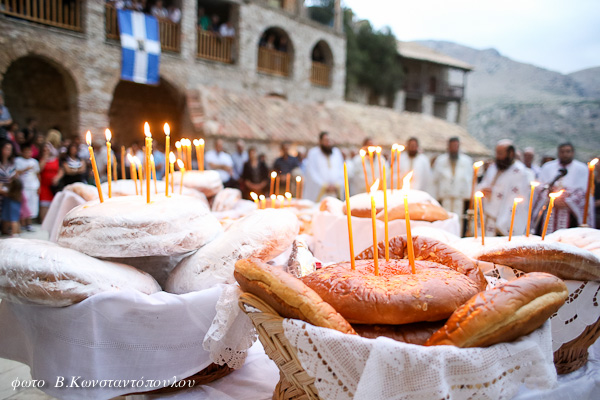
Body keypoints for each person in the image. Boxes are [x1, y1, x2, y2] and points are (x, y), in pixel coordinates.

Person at [533, 142, 593, 231]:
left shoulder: (582, 169)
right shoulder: (548, 167)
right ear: (558, 153)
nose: (565, 154)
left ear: (573, 153)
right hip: (549, 209)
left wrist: (566, 200)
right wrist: (551, 196)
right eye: (562, 152)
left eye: (568, 151)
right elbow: (540, 188)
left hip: (571, 213)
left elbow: (584, 192)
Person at [477, 140, 530, 236]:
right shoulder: (493, 167)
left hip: (505, 218)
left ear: (510, 154)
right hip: (488, 214)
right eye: (497, 153)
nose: (497, 157)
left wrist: (502, 221)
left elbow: (516, 197)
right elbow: (484, 184)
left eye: (500, 153)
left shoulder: (519, 171)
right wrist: (483, 190)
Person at [432, 137, 473, 233]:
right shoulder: (441, 160)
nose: (454, 148)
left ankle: (457, 237)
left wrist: (468, 196)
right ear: (448, 147)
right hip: (445, 196)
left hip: (459, 196)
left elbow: (469, 179)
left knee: (459, 219)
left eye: (456, 146)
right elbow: (435, 179)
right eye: (452, 146)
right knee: (445, 219)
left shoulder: (466, 161)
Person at [303, 132, 345, 202]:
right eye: (326, 140)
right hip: (320, 191)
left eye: (329, 140)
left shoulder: (336, 152)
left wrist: (337, 184)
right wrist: (324, 185)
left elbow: (341, 170)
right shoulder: (313, 153)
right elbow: (311, 172)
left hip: (335, 190)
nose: (328, 142)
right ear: (320, 141)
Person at [14, 143, 40, 229]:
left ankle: (29, 224)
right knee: (24, 205)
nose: (28, 153)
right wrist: (25, 169)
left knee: (32, 206)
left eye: (29, 151)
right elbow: (15, 173)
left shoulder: (34, 162)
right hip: (23, 187)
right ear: (22, 152)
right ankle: (22, 223)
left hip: (33, 186)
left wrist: (39, 186)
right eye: (26, 152)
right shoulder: (17, 161)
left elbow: (37, 174)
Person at [38, 143, 61, 223]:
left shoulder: (56, 159)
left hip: (53, 187)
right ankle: (44, 222)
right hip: (44, 186)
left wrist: (57, 178)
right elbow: (39, 169)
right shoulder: (41, 159)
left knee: (54, 205)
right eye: (45, 149)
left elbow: (60, 170)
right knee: (44, 205)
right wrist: (45, 157)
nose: (47, 151)